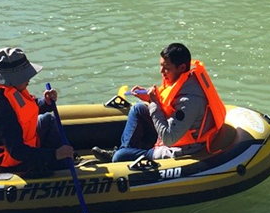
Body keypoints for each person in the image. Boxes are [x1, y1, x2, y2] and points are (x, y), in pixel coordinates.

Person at [93, 43, 226, 163]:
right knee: (138, 109)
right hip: (175, 131)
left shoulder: (189, 100)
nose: (161, 71)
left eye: (166, 68)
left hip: (183, 146)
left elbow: (169, 138)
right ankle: (125, 150)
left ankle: (122, 155)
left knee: (119, 157)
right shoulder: (183, 81)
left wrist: (154, 103)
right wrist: (149, 99)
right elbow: (168, 107)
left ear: (182, 68)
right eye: (161, 66)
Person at [0, 47, 73, 175]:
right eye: (25, 76)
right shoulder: (2, 108)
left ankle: (68, 159)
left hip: (21, 145)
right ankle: (65, 167)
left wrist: (45, 103)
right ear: (13, 79)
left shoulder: (11, 89)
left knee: (48, 119)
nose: (28, 80)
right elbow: (17, 151)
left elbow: (27, 109)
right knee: (54, 159)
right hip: (12, 162)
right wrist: (55, 154)